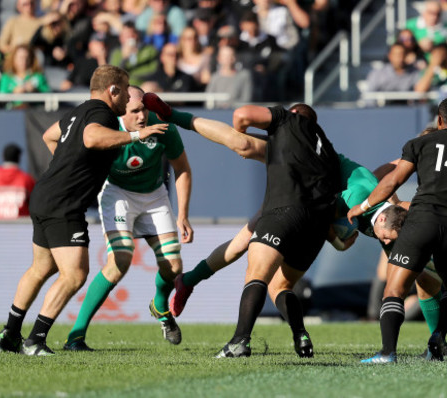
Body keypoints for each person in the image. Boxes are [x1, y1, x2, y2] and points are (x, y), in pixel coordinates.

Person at [141, 94, 407, 324]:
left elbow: (376, 178)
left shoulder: (367, 197)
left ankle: (189, 281)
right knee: (248, 242)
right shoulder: (361, 195)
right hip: (303, 191)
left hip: (305, 193)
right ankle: (190, 282)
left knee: (245, 242)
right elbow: (373, 180)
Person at [0, 65, 167, 356]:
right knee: (74, 274)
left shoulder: (77, 111)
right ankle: (35, 340)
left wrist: (70, 166)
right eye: (124, 90)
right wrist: (137, 136)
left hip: (45, 194)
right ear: (113, 90)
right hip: (64, 203)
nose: (126, 97)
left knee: (41, 268)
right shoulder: (103, 114)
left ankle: (9, 334)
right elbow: (91, 138)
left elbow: (50, 136)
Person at [348, 97, 447, 364]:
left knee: (394, 289)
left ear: (439, 121)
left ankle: (387, 353)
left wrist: (364, 205)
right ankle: (438, 334)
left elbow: (393, 180)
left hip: (422, 221)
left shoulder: (420, 143)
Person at [63, 86, 192, 351]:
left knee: (174, 268)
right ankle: (76, 336)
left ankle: (159, 305)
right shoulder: (106, 129)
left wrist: (183, 215)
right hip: (117, 193)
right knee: (119, 261)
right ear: (122, 111)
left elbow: (182, 169)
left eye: (144, 108)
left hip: (154, 195)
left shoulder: (162, 125)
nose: (142, 115)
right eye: (135, 111)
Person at [213, 103, 341, 358]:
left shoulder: (289, 121)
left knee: (257, 273)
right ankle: (301, 335)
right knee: (280, 285)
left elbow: (242, 115)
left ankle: (240, 341)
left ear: (294, 116)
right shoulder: (329, 152)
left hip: (284, 212)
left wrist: (242, 138)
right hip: (316, 227)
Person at [0, 143, 36, 220]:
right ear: (19, 158)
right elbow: (35, 205)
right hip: (22, 227)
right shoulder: (27, 180)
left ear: (3, 157)